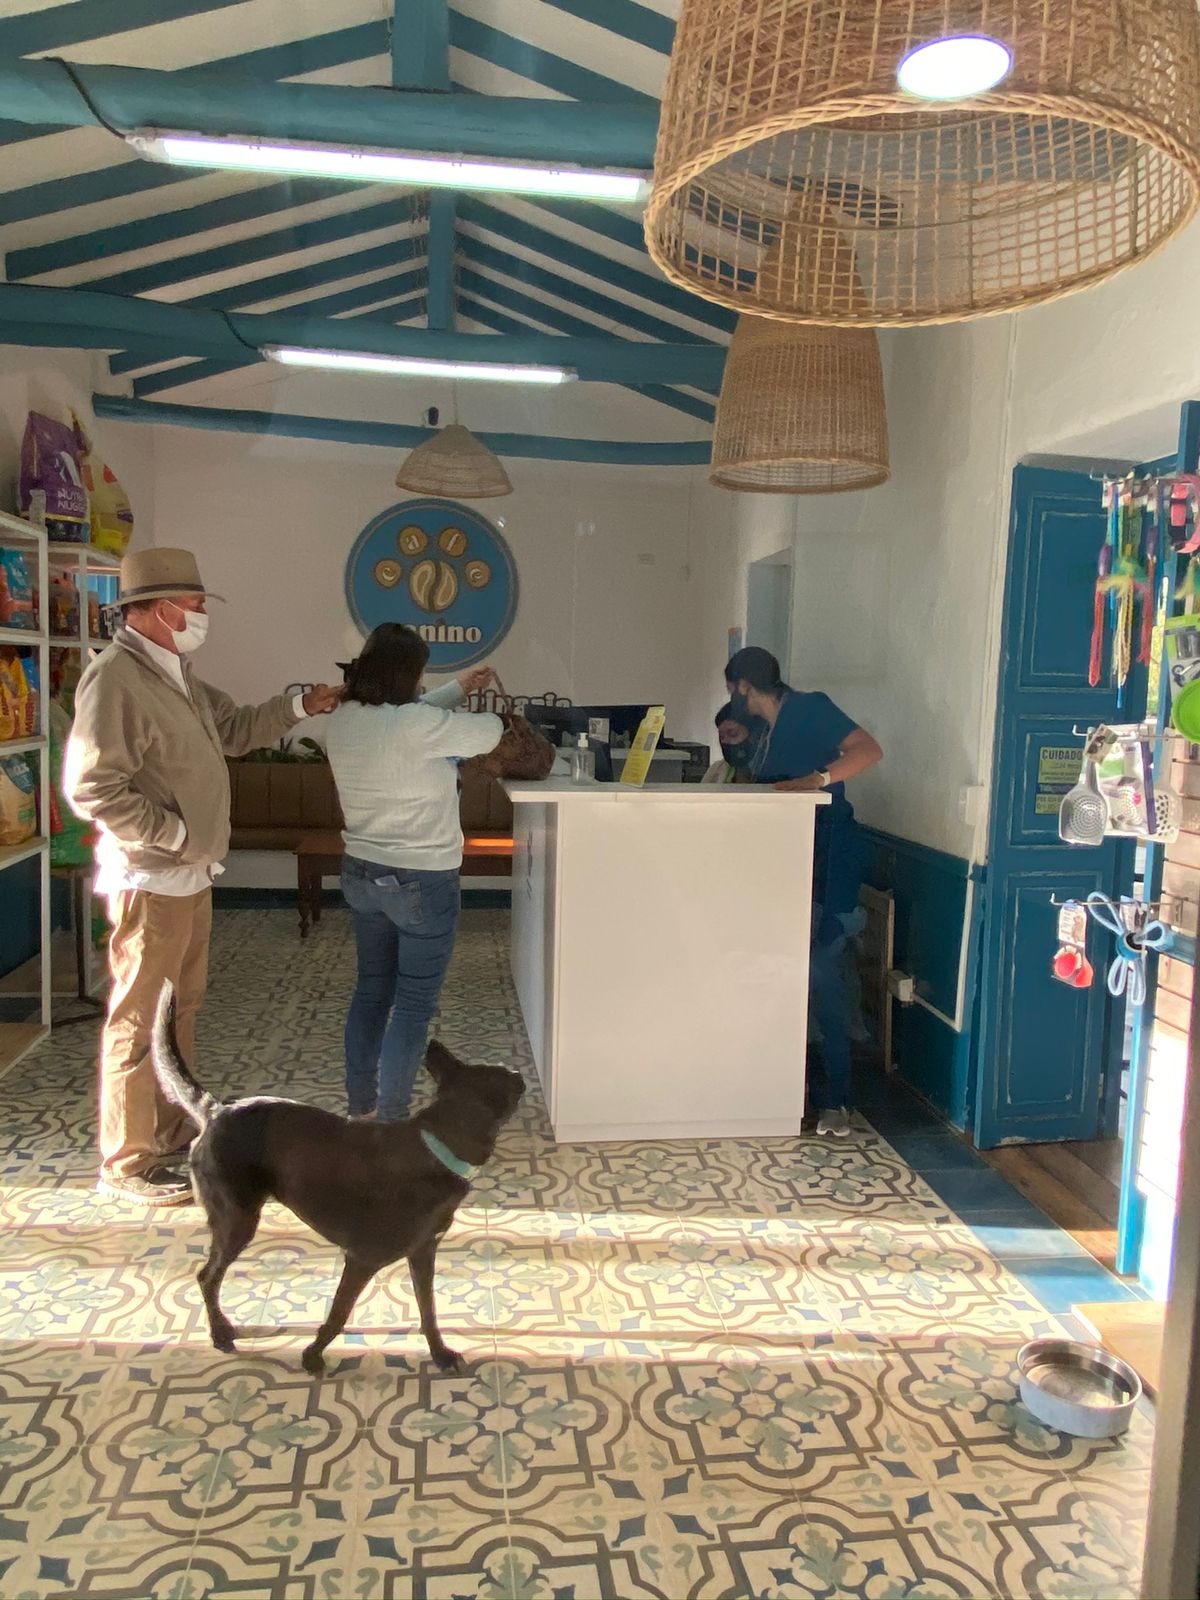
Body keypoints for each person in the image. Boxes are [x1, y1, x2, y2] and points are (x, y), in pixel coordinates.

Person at [64, 547, 341, 1205]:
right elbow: (92, 787)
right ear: (160, 609)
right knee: (139, 1020)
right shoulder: (116, 679)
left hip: (190, 877)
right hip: (152, 879)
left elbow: (236, 729)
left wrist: (302, 705)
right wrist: (177, 835)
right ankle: (126, 1162)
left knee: (178, 1012)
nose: (200, 616)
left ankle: (169, 1132)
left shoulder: (175, 673)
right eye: (193, 605)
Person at [324, 624, 505, 1123]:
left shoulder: (344, 719)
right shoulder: (415, 725)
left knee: (370, 992)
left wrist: (459, 688)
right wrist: (486, 706)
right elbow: (490, 731)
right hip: (421, 879)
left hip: (362, 874)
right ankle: (392, 1120)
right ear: (407, 677)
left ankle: (361, 1109)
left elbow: (409, 718)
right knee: (413, 1004)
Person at [724, 646, 883, 1136]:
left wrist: (819, 779)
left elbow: (869, 750)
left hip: (830, 862)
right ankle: (788, 1089)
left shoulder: (810, 708)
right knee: (786, 973)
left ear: (743, 685)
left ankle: (837, 1100)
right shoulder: (765, 728)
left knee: (824, 974)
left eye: (733, 689)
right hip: (789, 864)